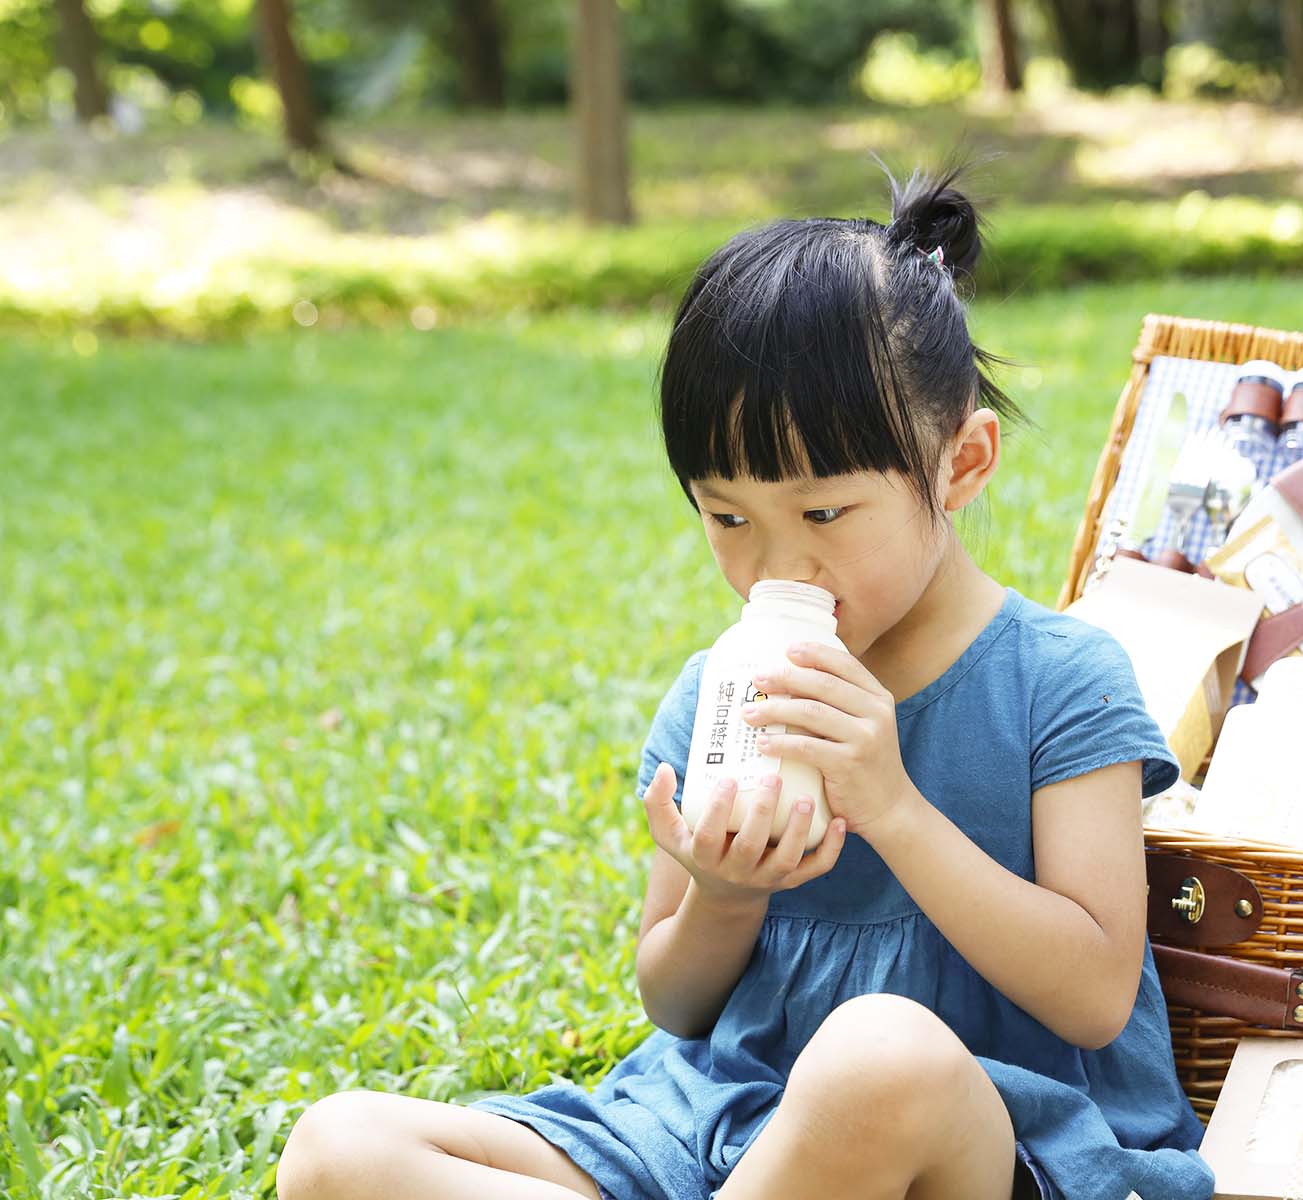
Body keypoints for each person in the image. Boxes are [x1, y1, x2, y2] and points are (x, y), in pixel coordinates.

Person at [275, 159, 1214, 1200]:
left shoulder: (1060, 680)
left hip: (983, 1137)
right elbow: (673, 1003)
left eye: (822, 516)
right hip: (721, 1122)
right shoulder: (719, 691)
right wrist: (721, 898)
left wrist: (894, 807)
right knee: (338, 1148)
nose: (775, 567)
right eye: (728, 517)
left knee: (877, 1054)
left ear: (962, 464)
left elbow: (1089, 997)